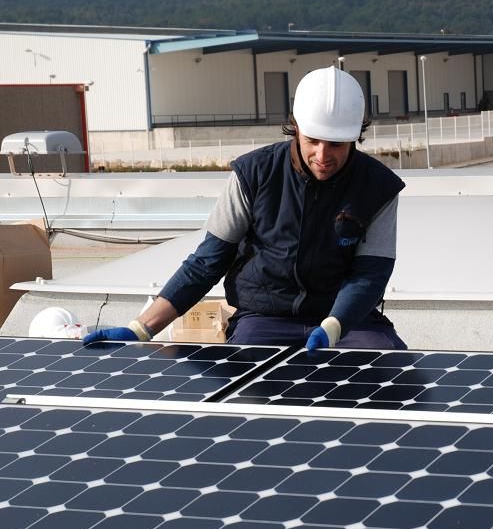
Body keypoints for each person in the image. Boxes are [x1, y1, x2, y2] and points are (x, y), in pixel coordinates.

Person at [84, 66, 406, 351]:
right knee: (246, 384)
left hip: (346, 321)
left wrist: (335, 325)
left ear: (354, 138)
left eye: (335, 144)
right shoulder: (254, 174)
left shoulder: (378, 187)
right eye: (313, 141)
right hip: (265, 319)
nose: (322, 155)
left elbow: (370, 274)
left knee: (391, 371)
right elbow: (206, 262)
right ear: (296, 128)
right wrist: (142, 328)